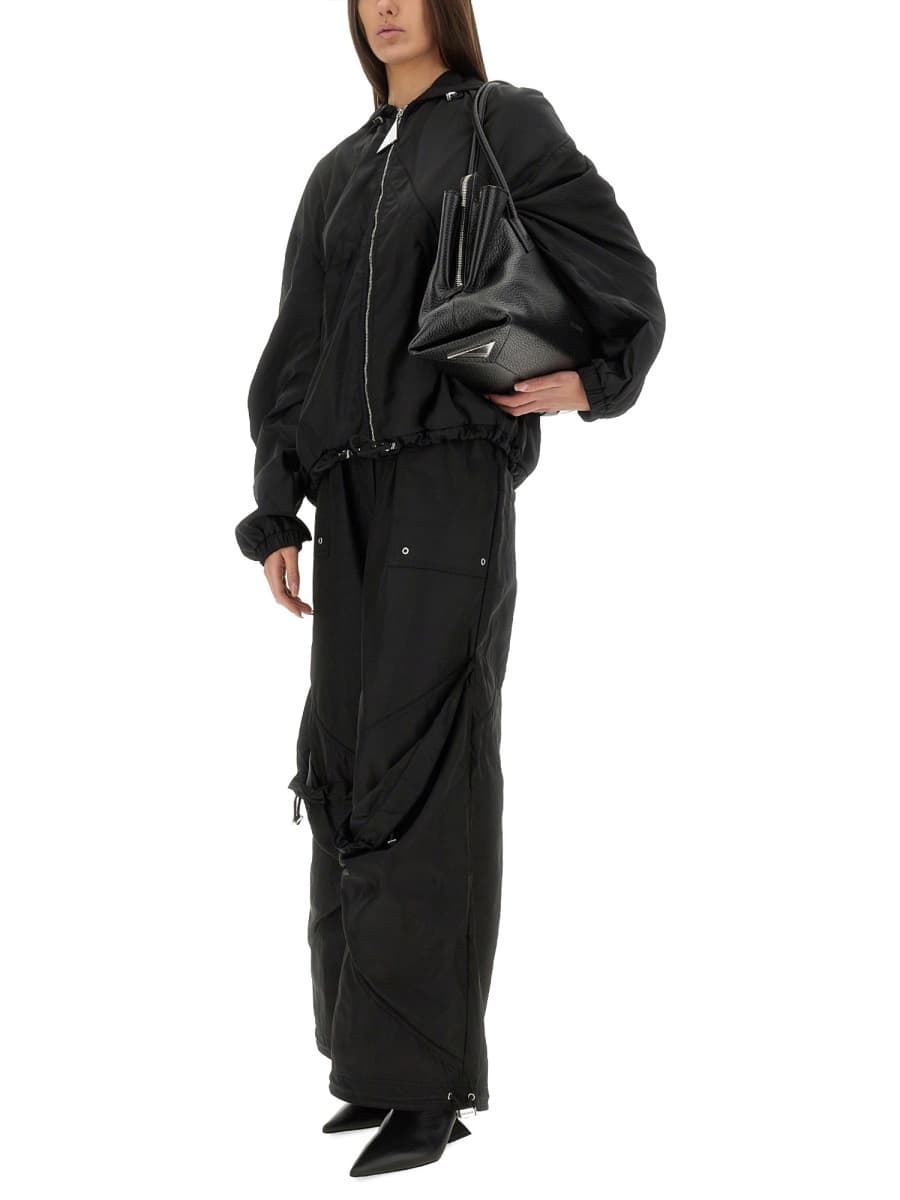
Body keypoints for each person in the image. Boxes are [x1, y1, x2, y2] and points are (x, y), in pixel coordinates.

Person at [234, 0, 665, 1178]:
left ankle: (430, 1087)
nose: (385, 8)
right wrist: (277, 506)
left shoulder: (500, 122)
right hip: (350, 495)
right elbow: (299, 348)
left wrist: (596, 378)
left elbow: (618, 269)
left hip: (449, 480)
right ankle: (368, 1061)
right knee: (344, 759)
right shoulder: (339, 169)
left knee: (429, 759)